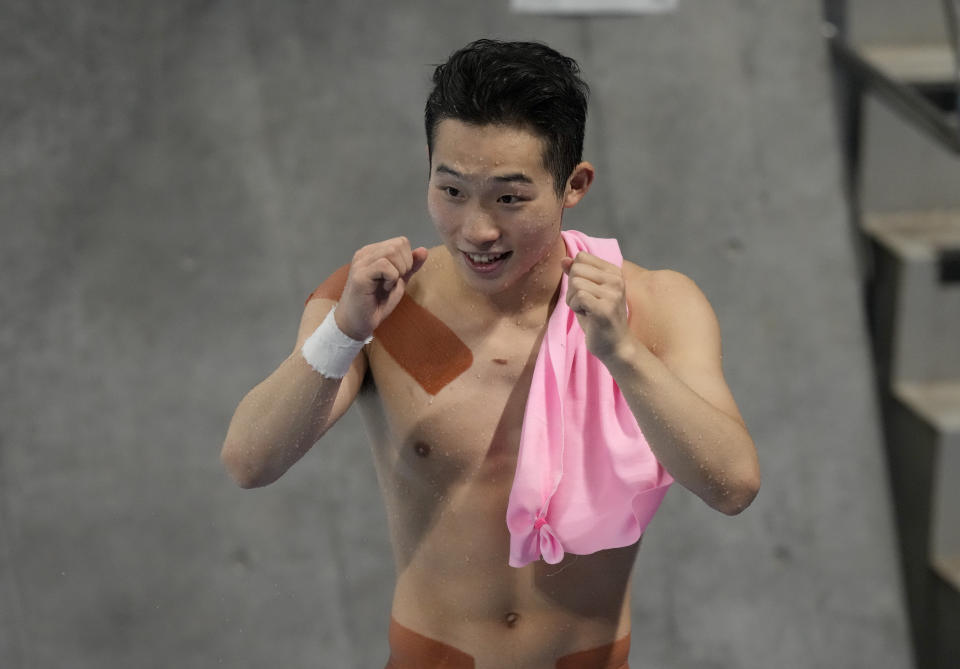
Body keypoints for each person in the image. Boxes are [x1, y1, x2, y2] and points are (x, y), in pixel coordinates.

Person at [221, 39, 759, 669]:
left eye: (509, 198)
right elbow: (248, 462)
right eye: (451, 191)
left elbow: (733, 486)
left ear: (573, 185)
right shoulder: (384, 307)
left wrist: (622, 354)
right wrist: (343, 332)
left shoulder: (655, 307)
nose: (477, 229)